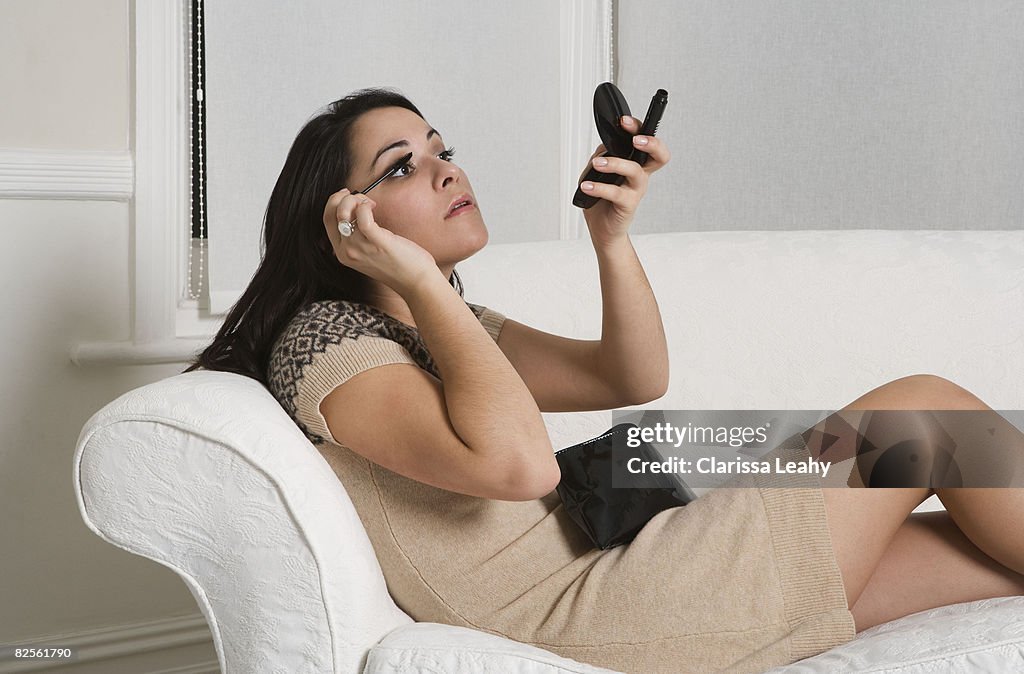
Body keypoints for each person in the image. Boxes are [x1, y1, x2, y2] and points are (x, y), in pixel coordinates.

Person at [184, 87, 1024, 673]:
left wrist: (610, 237)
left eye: (443, 149)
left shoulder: (437, 324)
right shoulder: (330, 345)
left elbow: (630, 373)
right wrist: (420, 281)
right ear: (343, 223)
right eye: (399, 167)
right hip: (599, 618)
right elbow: (522, 469)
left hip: (628, 573)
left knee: (979, 553)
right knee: (927, 417)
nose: (446, 171)